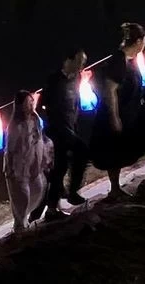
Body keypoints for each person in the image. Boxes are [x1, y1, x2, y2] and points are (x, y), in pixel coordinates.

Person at [91, 22, 145, 200]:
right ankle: (115, 189)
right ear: (139, 41)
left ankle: (116, 188)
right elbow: (110, 90)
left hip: (127, 112)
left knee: (119, 149)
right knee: (114, 151)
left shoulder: (127, 60)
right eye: (144, 40)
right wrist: (114, 117)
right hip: (115, 113)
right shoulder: (118, 61)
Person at [33, 47, 89, 221]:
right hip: (56, 129)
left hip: (70, 126)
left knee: (60, 168)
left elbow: (75, 104)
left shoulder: (77, 78)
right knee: (81, 150)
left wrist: (75, 125)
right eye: (79, 62)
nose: (81, 66)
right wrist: (48, 128)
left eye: (83, 63)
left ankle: (52, 209)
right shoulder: (54, 80)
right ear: (68, 60)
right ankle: (72, 192)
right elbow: (40, 107)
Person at [4, 90, 50, 231]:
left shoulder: (36, 119)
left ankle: (24, 217)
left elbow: (40, 138)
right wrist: (10, 167)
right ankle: (20, 225)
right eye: (28, 102)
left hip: (34, 163)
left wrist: (45, 157)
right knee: (22, 197)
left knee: (39, 188)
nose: (31, 105)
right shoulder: (15, 126)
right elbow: (10, 149)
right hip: (19, 166)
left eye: (31, 102)